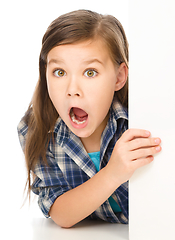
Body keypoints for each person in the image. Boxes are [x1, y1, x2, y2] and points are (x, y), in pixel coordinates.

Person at [17, 9, 161, 228]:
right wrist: (113, 173)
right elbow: (61, 214)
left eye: (90, 72)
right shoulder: (36, 128)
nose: (73, 90)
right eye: (60, 72)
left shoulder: (143, 119)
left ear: (119, 77)